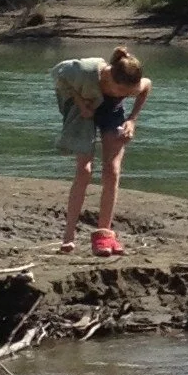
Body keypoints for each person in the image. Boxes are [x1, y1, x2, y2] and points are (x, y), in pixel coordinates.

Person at [52, 48, 151, 256]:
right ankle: (68, 237)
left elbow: (146, 86)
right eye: (121, 92)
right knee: (84, 170)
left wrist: (132, 119)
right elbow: (58, 74)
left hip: (112, 113)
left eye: (128, 93)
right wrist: (80, 104)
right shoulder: (85, 71)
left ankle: (104, 234)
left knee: (112, 170)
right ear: (108, 77)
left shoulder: (130, 85)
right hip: (84, 110)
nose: (125, 95)